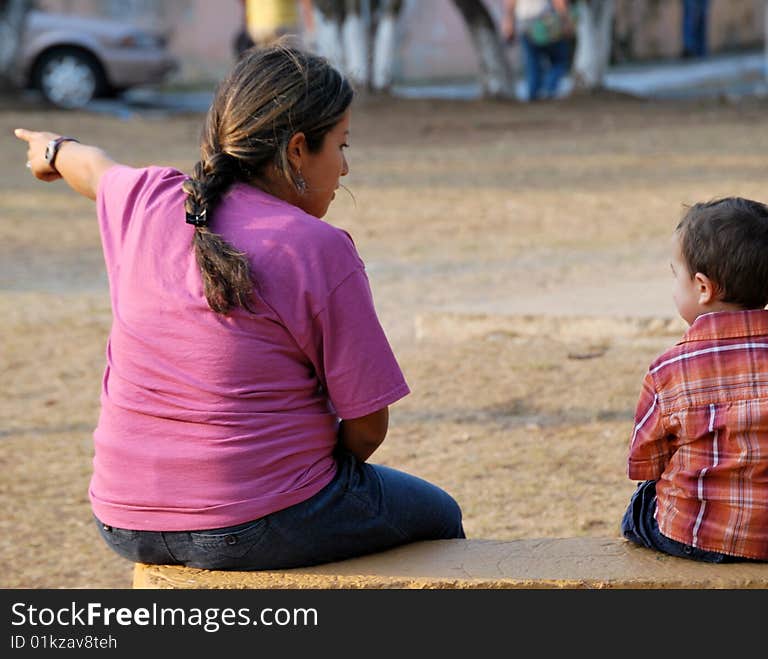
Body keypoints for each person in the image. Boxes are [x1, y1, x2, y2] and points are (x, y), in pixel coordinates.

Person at [14, 37, 464, 571]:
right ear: (298, 150)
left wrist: (50, 150)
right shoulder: (316, 249)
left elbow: (91, 166)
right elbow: (368, 426)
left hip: (123, 516)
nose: (344, 169)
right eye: (341, 146)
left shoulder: (150, 197)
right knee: (440, 516)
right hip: (258, 520)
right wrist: (293, 477)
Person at [621, 197, 768, 563]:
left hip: (692, 535)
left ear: (702, 287)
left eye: (674, 275)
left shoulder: (668, 371)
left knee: (642, 502)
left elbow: (643, 465)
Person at [501, 0, 574, 101]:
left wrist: (509, 24)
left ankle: (534, 93)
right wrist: (566, 21)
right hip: (546, 23)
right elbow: (559, 2)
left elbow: (510, 4)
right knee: (560, 60)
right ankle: (549, 89)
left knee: (532, 62)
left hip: (524, 24)